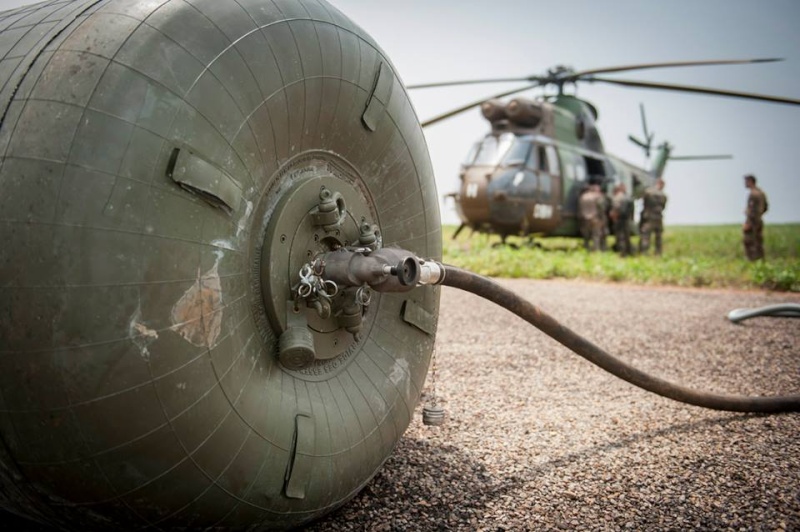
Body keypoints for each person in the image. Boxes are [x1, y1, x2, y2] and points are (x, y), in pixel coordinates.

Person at [743, 174, 768, 260]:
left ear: (750, 182)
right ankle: (761, 260)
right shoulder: (761, 193)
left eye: (746, 181)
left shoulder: (753, 194)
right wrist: (759, 215)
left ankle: (752, 260)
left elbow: (753, 211)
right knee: (758, 242)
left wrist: (749, 222)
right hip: (759, 220)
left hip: (753, 222)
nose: (745, 183)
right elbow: (765, 207)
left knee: (749, 242)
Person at [639, 178, 667, 255]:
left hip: (649, 218)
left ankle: (644, 252)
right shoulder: (663, 195)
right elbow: (663, 207)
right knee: (658, 237)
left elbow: (644, 203)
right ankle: (658, 253)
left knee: (646, 236)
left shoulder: (648, 192)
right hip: (658, 218)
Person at [578, 183, 605, 251]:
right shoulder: (597, 196)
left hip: (585, 218)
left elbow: (580, 208)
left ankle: (586, 247)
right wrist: (602, 218)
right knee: (596, 235)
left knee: (586, 235)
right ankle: (596, 248)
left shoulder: (583, 196)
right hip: (594, 218)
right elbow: (601, 208)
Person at [610, 183, 633, 256]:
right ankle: (629, 251)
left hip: (619, 219)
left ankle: (622, 253)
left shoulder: (617, 197)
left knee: (620, 236)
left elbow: (616, 209)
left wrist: (614, 217)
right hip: (626, 219)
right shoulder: (628, 197)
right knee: (626, 236)